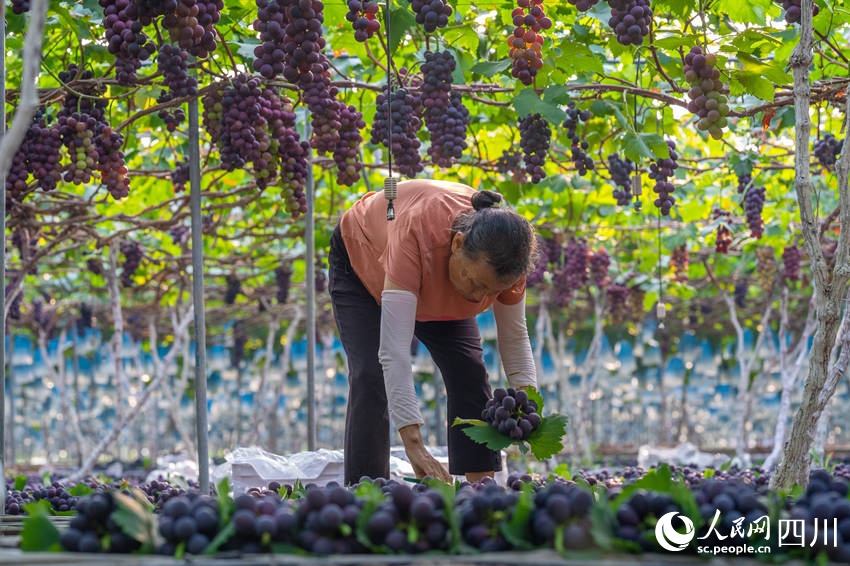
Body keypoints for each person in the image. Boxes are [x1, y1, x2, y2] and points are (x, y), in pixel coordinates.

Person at [329, 179, 539, 485]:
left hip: (433, 283)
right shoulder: (417, 231)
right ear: (456, 244)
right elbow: (394, 352)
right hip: (364, 265)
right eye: (476, 283)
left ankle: (481, 486)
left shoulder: (509, 263)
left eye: (491, 292)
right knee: (370, 374)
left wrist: (528, 408)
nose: (479, 298)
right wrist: (415, 447)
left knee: (468, 369)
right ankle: (366, 490)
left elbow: (516, 340)